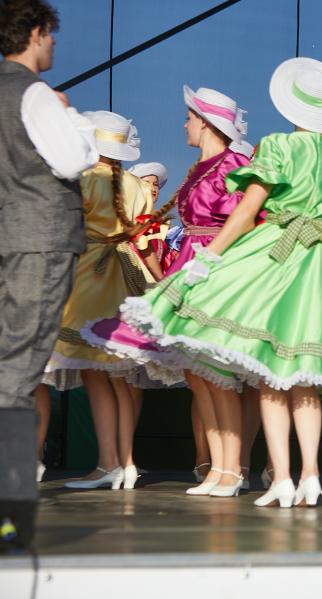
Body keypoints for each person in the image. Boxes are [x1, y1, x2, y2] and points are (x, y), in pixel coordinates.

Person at [117, 57, 322, 508]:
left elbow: (245, 210)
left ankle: (283, 479)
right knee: (305, 376)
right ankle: (310, 475)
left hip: (278, 251)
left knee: (273, 373)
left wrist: (210, 257)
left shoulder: (279, 146)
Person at [85, 87, 253, 496]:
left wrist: (215, 259)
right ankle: (218, 467)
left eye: (190, 118)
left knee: (216, 371)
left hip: (214, 265)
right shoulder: (199, 167)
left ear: (206, 124)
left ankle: (231, 468)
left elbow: (246, 219)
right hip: (190, 263)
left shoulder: (235, 164)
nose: (184, 124)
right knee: (197, 372)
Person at [0, 0, 98, 482]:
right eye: (51, 33)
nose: (55, 42)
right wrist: (70, 115)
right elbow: (74, 159)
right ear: (36, 32)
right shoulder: (35, 93)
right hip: (39, 237)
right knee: (21, 363)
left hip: (9, 234)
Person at [38, 110, 163, 490]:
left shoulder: (85, 179)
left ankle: (109, 463)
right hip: (125, 271)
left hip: (90, 271)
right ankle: (124, 462)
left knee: (94, 371)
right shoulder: (136, 185)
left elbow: (64, 228)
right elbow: (144, 239)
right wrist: (160, 280)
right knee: (116, 374)